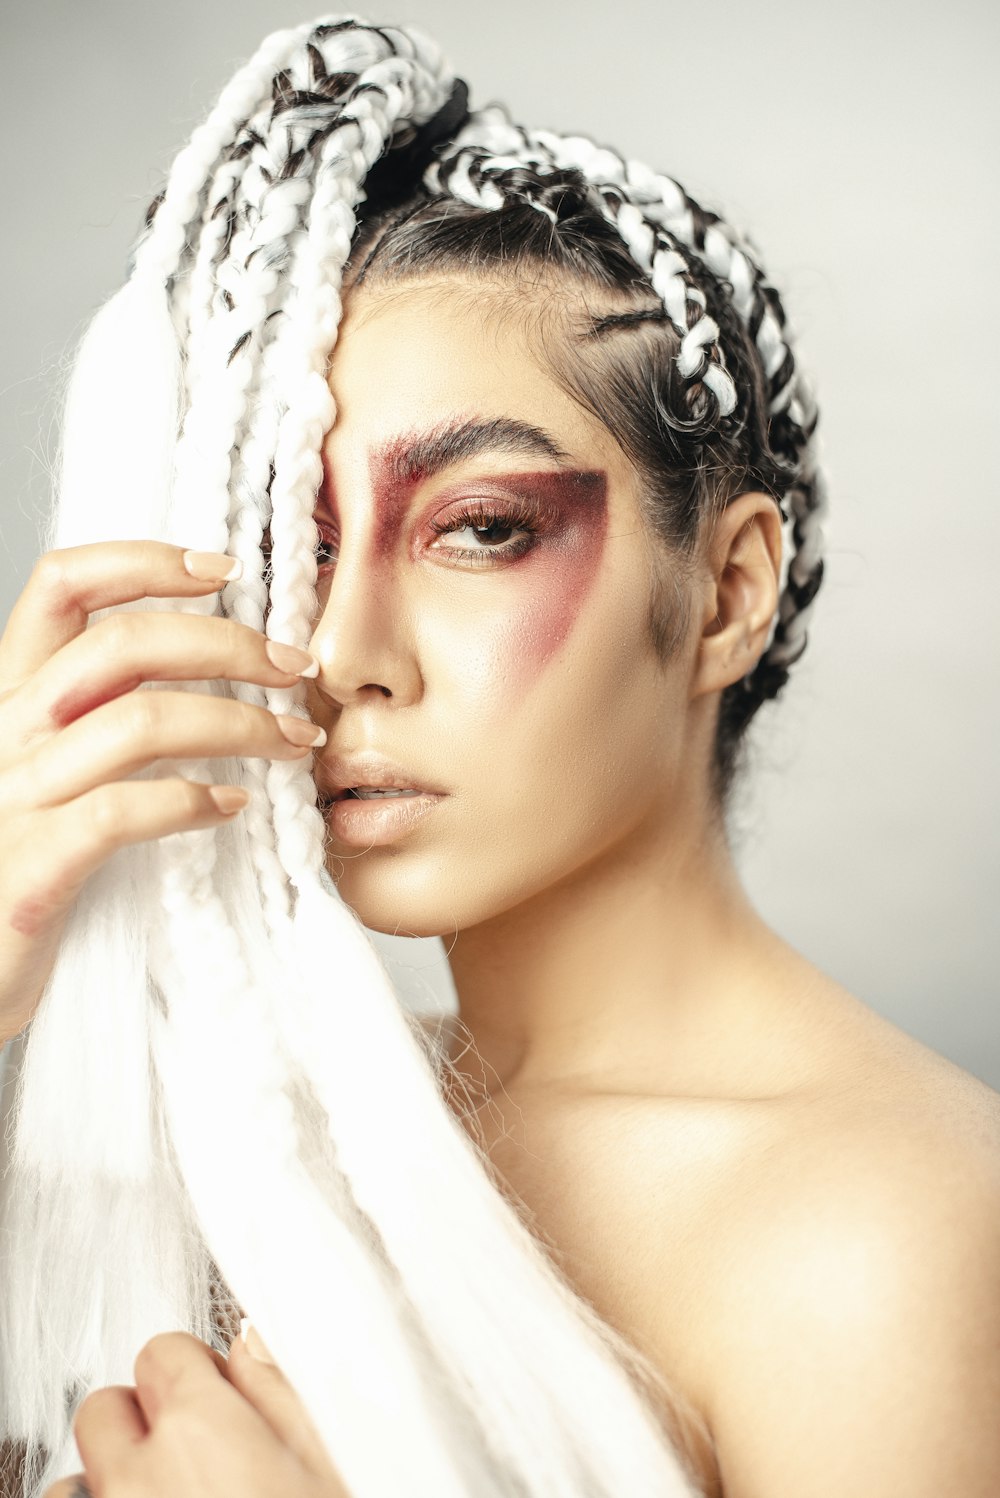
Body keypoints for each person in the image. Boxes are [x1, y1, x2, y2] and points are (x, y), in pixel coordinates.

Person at [0, 14, 997, 1498]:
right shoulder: (243, 1137)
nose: (339, 652)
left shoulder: (892, 1233)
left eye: (479, 527)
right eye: (297, 544)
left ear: (727, 591)